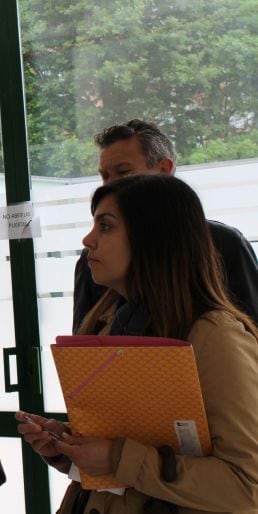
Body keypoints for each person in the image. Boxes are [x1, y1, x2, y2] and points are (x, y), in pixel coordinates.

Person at [19, 174, 258, 514]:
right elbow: (136, 456)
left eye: (105, 226)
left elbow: (246, 487)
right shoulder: (107, 325)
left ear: (153, 238)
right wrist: (70, 448)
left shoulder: (215, 337)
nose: (88, 240)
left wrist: (117, 456)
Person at [72, 119, 258, 332]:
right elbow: (83, 345)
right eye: (105, 176)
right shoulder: (94, 259)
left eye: (124, 172)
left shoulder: (223, 243)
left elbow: (251, 330)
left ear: (164, 169)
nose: (111, 185)